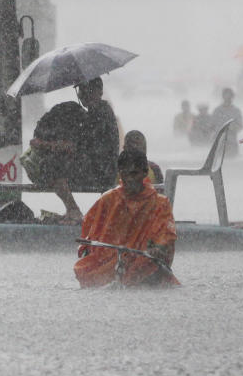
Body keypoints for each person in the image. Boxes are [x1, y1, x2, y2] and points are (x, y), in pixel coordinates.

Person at [74, 149, 180, 288]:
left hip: (145, 263)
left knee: (150, 269)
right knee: (88, 273)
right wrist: (89, 249)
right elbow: (89, 234)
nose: (129, 179)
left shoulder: (160, 203)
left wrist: (157, 248)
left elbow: (166, 235)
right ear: (120, 173)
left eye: (134, 173)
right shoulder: (108, 199)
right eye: (125, 173)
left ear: (144, 173)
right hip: (111, 264)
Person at [22, 77, 120, 223]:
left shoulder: (101, 113)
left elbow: (74, 147)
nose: (84, 94)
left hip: (101, 171)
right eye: (82, 90)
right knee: (54, 163)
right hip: (97, 166)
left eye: (89, 90)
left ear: (99, 92)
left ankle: (73, 209)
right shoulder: (93, 112)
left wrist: (44, 145)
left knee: (52, 165)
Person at [211, 87, 243, 156]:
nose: (227, 98)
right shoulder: (217, 110)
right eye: (226, 95)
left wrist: (231, 128)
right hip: (219, 141)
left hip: (232, 141)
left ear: (232, 97)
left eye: (229, 96)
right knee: (218, 160)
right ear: (223, 96)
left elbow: (240, 125)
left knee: (232, 161)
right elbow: (212, 125)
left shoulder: (236, 111)